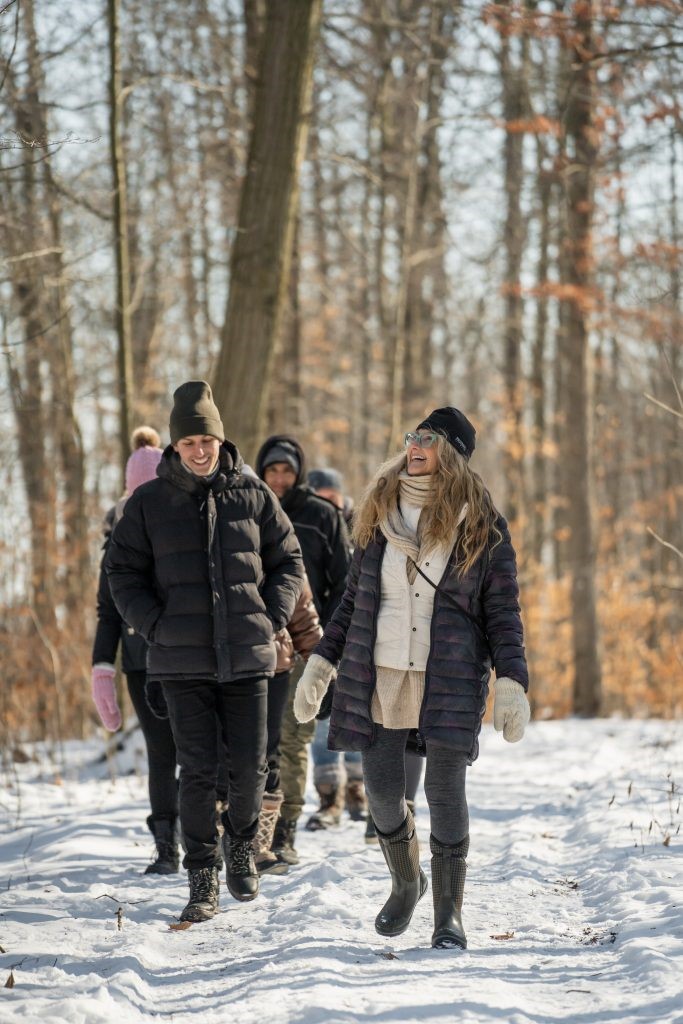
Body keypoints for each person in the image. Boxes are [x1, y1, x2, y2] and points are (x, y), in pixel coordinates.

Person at [294, 407, 530, 949]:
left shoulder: (481, 523)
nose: (415, 445)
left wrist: (512, 680)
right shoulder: (380, 513)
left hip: (448, 671)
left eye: (429, 438)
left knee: (446, 790)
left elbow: (503, 611)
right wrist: (322, 663)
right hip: (381, 670)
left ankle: (448, 913)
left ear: (453, 454)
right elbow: (354, 602)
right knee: (380, 790)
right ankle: (407, 879)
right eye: (412, 436)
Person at [106, 382, 303, 924]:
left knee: (248, 768)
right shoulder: (148, 503)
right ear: (175, 445)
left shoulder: (253, 493)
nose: (200, 450)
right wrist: (153, 625)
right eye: (189, 440)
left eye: (207, 439)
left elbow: (288, 559)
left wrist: (271, 617)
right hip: (180, 661)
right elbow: (121, 572)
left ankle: (240, 848)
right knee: (195, 772)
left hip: (246, 658)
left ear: (221, 439)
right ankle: (201, 878)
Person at [254, 437, 352, 864]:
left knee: (295, 738)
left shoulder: (321, 515)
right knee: (258, 742)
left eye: (286, 472)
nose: (278, 479)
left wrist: (327, 642)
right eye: (271, 470)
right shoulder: (246, 508)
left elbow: (343, 584)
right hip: (254, 643)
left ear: (298, 474)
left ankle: (284, 832)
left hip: (308, 645)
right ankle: (256, 831)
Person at [91, 427, 179, 874]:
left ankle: (208, 834)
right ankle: (166, 844)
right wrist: (101, 667)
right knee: (162, 753)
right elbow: (107, 611)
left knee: (198, 750)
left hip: (186, 657)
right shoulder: (117, 536)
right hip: (141, 664)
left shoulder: (181, 522)